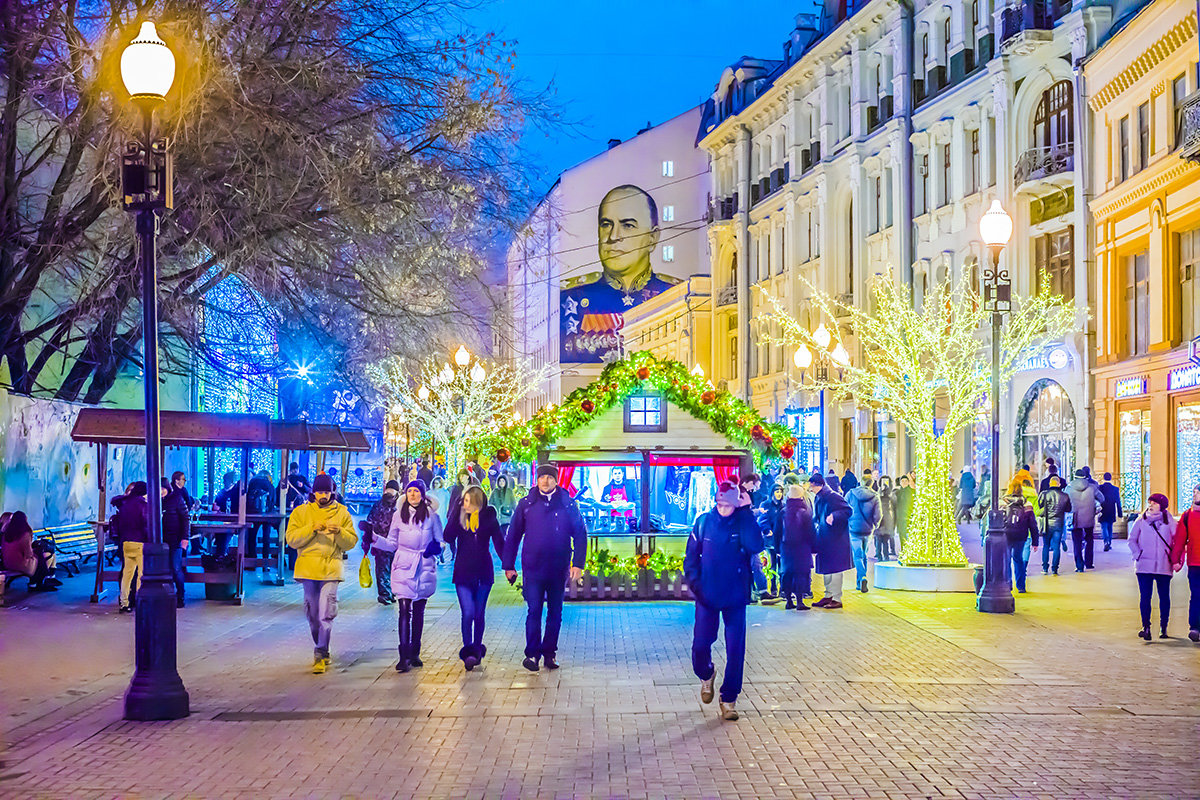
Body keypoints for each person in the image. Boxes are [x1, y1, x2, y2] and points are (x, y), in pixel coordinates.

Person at [559, 185, 680, 362]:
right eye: (606, 225)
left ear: (653, 238)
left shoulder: (674, 293)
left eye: (628, 225)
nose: (613, 236)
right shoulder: (572, 296)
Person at [684, 481, 762, 721]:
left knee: (736, 650)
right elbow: (691, 557)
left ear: (736, 504)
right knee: (700, 645)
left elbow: (756, 545)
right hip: (707, 595)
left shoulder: (742, 521)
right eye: (719, 504)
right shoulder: (703, 522)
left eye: (728, 505)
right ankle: (706, 674)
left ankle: (729, 699)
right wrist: (696, 585)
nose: (723, 509)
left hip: (735, 596)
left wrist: (747, 512)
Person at [503, 464, 587, 672]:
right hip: (533, 567)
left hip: (558, 568)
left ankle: (550, 652)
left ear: (556, 480)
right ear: (537, 480)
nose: (546, 481)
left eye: (550, 478)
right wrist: (508, 565)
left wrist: (577, 563)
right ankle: (532, 654)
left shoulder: (567, 504)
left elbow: (580, 534)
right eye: (542, 478)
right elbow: (513, 535)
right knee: (534, 611)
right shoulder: (526, 504)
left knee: (555, 612)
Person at [284, 473, 356, 673]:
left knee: (326, 611)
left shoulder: (342, 512)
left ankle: (320, 651)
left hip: (331, 567)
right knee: (313, 613)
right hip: (308, 568)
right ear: (313, 493)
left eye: (326, 491)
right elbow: (291, 539)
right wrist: (311, 529)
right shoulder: (301, 513)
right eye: (319, 492)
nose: (322, 495)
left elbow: (351, 541)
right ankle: (322, 648)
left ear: (332, 492)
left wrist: (339, 532)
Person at [381, 479, 443, 672]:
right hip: (403, 565)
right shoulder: (399, 516)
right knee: (404, 608)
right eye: (410, 492)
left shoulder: (432, 517)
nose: (413, 495)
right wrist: (374, 540)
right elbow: (392, 542)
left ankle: (415, 651)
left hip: (424, 566)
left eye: (416, 491)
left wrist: (435, 548)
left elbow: (441, 543)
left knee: (418, 611)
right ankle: (403, 655)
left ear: (423, 494)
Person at [443, 485, 505, 671]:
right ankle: (468, 650)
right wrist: (455, 511)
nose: (465, 504)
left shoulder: (489, 518)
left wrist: (509, 566)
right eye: (464, 500)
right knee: (468, 612)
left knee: (479, 613)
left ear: (478, 501)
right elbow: (448, 536)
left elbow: (499, 542)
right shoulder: (460, 517)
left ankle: (477, 649)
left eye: (469, 501)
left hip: (483, 572)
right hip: (463, 571)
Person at [1129, 493, 1181, 640]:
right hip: (1144, 565)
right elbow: (1132, 539)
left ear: (1162, 506)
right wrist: (1138, 554)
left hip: (1163, 566)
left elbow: (1177, 541)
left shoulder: (1170, 521)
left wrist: (1175, 558)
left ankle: (1164, 627)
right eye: (1149, 502)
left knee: (1164, 597)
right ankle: (1146, 626)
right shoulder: (1141, 520)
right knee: (1145, 597)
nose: (1150, 505)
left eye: (1154, 503)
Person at [809, 473, 853, 608]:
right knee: (827, 569)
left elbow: (848, 510)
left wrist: (834, 516)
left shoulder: (833, 496)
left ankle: (836, 597)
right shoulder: (820, 497)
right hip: (825, 538)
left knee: (835, 569)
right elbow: (817, 516)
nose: (811, 490)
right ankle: (828, 595)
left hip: (836, 539)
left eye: (812, 487)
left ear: (820, 485)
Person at [777, 476, 815, 610]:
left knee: (787, 573)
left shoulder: (783, 512)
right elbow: (810, 532)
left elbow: (777, 531)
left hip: (786, 548)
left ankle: (788, 600)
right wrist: (813, 547)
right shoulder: (805, 512)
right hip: (802, 548)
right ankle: (800, 601)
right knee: (800, 573)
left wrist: (777, 549)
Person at [363, 480, 401, 605]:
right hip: (381, 542)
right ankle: (385, 594)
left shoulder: (396, 505)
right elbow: (370, 522)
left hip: (391, 542)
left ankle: (388, 593)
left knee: (387, 569)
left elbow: (370, 520)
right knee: (384, 568)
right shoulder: (396, 505)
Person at [1170, 483, 1200, 643]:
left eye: (1197, 493)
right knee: (1196, 596)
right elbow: (1180, 539)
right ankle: (1194, 627)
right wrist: (1176, 560)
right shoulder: (1187, 516)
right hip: (1195, 564)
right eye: (1194, 493)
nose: (1194, 495)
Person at [113, 481, 149, 613]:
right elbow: (145, 524)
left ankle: (124, 603)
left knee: (127, 574)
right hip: (140, 542)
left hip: (126, 543)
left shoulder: (125, 505)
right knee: (141, 574)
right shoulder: (144, 505)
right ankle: (139, 601)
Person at [2, 511, 59, 591]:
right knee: (46, 556)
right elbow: (28, 554)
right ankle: (38, 582)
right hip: (20, 564)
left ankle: (38, 582)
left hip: (8, 563)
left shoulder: (7, 533)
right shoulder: (25, 533)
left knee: (43, 556)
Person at [162, 473, 195, 608]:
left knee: (176, 567)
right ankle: (167, 595)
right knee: (166, 568)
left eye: (162, 489)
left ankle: (180, 595)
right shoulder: (157, 501)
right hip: (161, 540)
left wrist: (185, 538)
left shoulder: (176, 498)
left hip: (174, 538)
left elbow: (185, 518)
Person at [845, 472, 880, 593]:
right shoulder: (875, 496)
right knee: (864, 554)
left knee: (857, 555)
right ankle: (860, 583)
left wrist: (848, 521)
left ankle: (862, 577)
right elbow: (878, 515)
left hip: (854, 528)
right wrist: (875, 525)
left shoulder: (851, 493)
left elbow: (845, 507)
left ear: (860, 481)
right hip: (868, 529)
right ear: (872, 484)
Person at [1001, 486, 1039, 593]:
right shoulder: (1027, 505)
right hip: (1021, 536)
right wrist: (1035, 542)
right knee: (1018, 559)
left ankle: (1008, 585)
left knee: (1006, 560)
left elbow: (998, 520)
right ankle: (1021, 586)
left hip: (1006, 535)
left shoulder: (1003, 503)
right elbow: (1033, 525)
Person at [1065, 468, 1103, 572]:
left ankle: (1079, 566)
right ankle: (1089, 563)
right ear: (1085, 477)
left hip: (1075, 518)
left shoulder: (1069, 488)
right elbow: (1102, 498)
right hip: (1089, 517)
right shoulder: (1092, 487)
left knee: (1076, 542)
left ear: (1075, 477)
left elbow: (1065, 501)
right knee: (1089, 540)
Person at [1037, 475, 1071, 576]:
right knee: (1056, 547)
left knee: (1046, 546)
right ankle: (1055, 569)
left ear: (1049, 484)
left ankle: (1045, 567)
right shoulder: (1065, 496)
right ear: (1059, 484)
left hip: (1047, 523)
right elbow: (1068, 509)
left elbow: (1040, 505)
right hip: (1058, 523)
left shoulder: (1044, 494)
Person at [245, 469, 276, 561]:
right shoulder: (270, 485)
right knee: (266, 538)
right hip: (267, 515)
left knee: (252, 536)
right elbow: (274, 500)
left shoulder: (252, 482)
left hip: (253, 514)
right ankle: (265, 561)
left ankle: (252, 559)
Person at [1098, 472, 1123, 552]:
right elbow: (1118, 502)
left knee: (1103, 527)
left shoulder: (1100, 488)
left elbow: (1097, 499)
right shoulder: (1115, 489)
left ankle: (1106, 541)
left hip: (1102, 510)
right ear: (1111, 478)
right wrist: (1120, 513)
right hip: (1111, 510)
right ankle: (1109, 542)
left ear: (1103, 478)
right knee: (1110, 527)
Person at [876, 476, 897, 562]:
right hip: (887, 520)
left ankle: (880, 556)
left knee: (879, 540)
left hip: (880, 520)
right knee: (885, 541)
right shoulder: (890, 497)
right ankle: (885, 556)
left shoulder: (878, 496)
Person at [896, 474, 914, 550]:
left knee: (909, 536)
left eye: (905, 481)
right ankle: (904, 551)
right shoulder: (897, 492)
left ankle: (909, 551)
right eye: (902, 481)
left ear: (908, 482)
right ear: (900, 482)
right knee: (902, 536)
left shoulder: (912, 492)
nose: (904, 482)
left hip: (908, 517)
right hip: (900, 518)